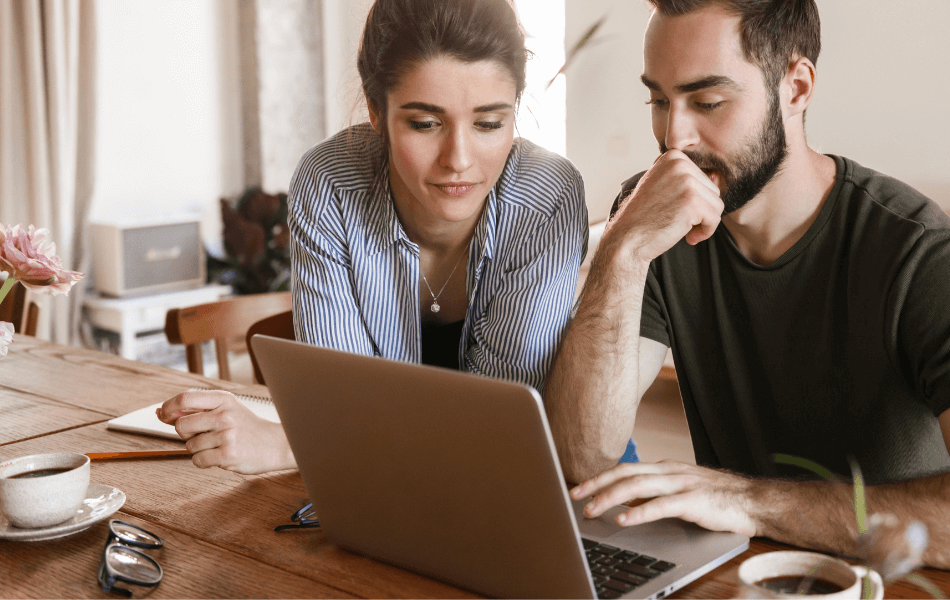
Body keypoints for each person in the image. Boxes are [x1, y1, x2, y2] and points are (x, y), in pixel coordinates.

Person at [545, 0, 950, 569]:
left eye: (706, 101)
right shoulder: (654, 218)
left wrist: (754, 502)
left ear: (797, 87)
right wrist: (623, 248)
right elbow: (580, 457)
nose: (673, 136)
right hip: (734, 574)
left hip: (887, 582)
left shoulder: (917, 249)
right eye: (658, 100)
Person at [158, 0, 588, 475]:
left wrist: (293, 448)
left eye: (489, 123)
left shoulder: (547, 198)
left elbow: (497, 428)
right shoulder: (332, 183)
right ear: (375, 110)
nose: (459, 159)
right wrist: (333, 434)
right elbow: (340, 402)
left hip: (533, 477)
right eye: (425, 123)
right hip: (383, 486)